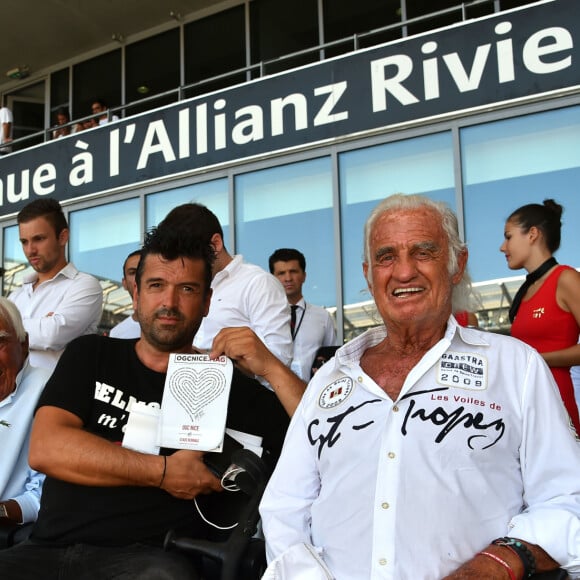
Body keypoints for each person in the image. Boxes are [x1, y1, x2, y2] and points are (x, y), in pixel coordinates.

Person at [260, 193, 580, 579]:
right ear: (368, 273)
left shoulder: (516, 367)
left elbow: (566, 498)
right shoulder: (331, 378)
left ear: (456, 264)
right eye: (386, 257)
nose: (404, 272)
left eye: (424, 252)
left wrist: (500, 562)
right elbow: (284, 507)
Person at [0, 223, 306, 578]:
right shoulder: (92, 354)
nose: (169, 303)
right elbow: (48, 448)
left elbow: (320, 441)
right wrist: (164, 473)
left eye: (187, 289)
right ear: (136, 295)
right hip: (46, 550)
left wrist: (271, 368)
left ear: (207, 302)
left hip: (148, 560)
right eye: (156, 286)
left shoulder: (223, 381)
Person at [157, 203, 293, 372]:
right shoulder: (182, 287)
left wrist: (210, 361)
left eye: (189, 255)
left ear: (215, 244)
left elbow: (279, 359)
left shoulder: (258, 283)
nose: (182, 265)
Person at [500, 199, 580, 434]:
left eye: (508, 236)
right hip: (526, 407)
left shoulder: (566, 279)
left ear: (532, 234)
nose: (503, 247)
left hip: (557, 404)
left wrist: (536, 360)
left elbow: (534, 356)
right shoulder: (527, 291)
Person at [8, 198, 104, 371]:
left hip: (61, 396)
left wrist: (10, 329)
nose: (30, 250)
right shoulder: (15, 296)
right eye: (24, 241)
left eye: (38, 239)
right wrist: (41, 324)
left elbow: (52, 336)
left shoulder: (85, 285)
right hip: (15, 396)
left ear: (63, 237)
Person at [0, 298, 51, 531]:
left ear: (24, 344)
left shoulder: (49, 390)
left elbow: (43, 495)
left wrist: (2, 511)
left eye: (0, 342)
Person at [268, 248, 337, 381]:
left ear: (304, 276)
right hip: (272, 394)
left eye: (293, 271)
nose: (288, 278)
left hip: (311, 394)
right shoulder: (263, 317)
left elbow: (331, 359)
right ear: (272, 279)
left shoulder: (322, 317)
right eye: (281, 273)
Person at [109, 249, 141, 339]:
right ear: (124, 283)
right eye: (133, 273)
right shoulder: (117, 334)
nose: (139, 277)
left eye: (144, 270)